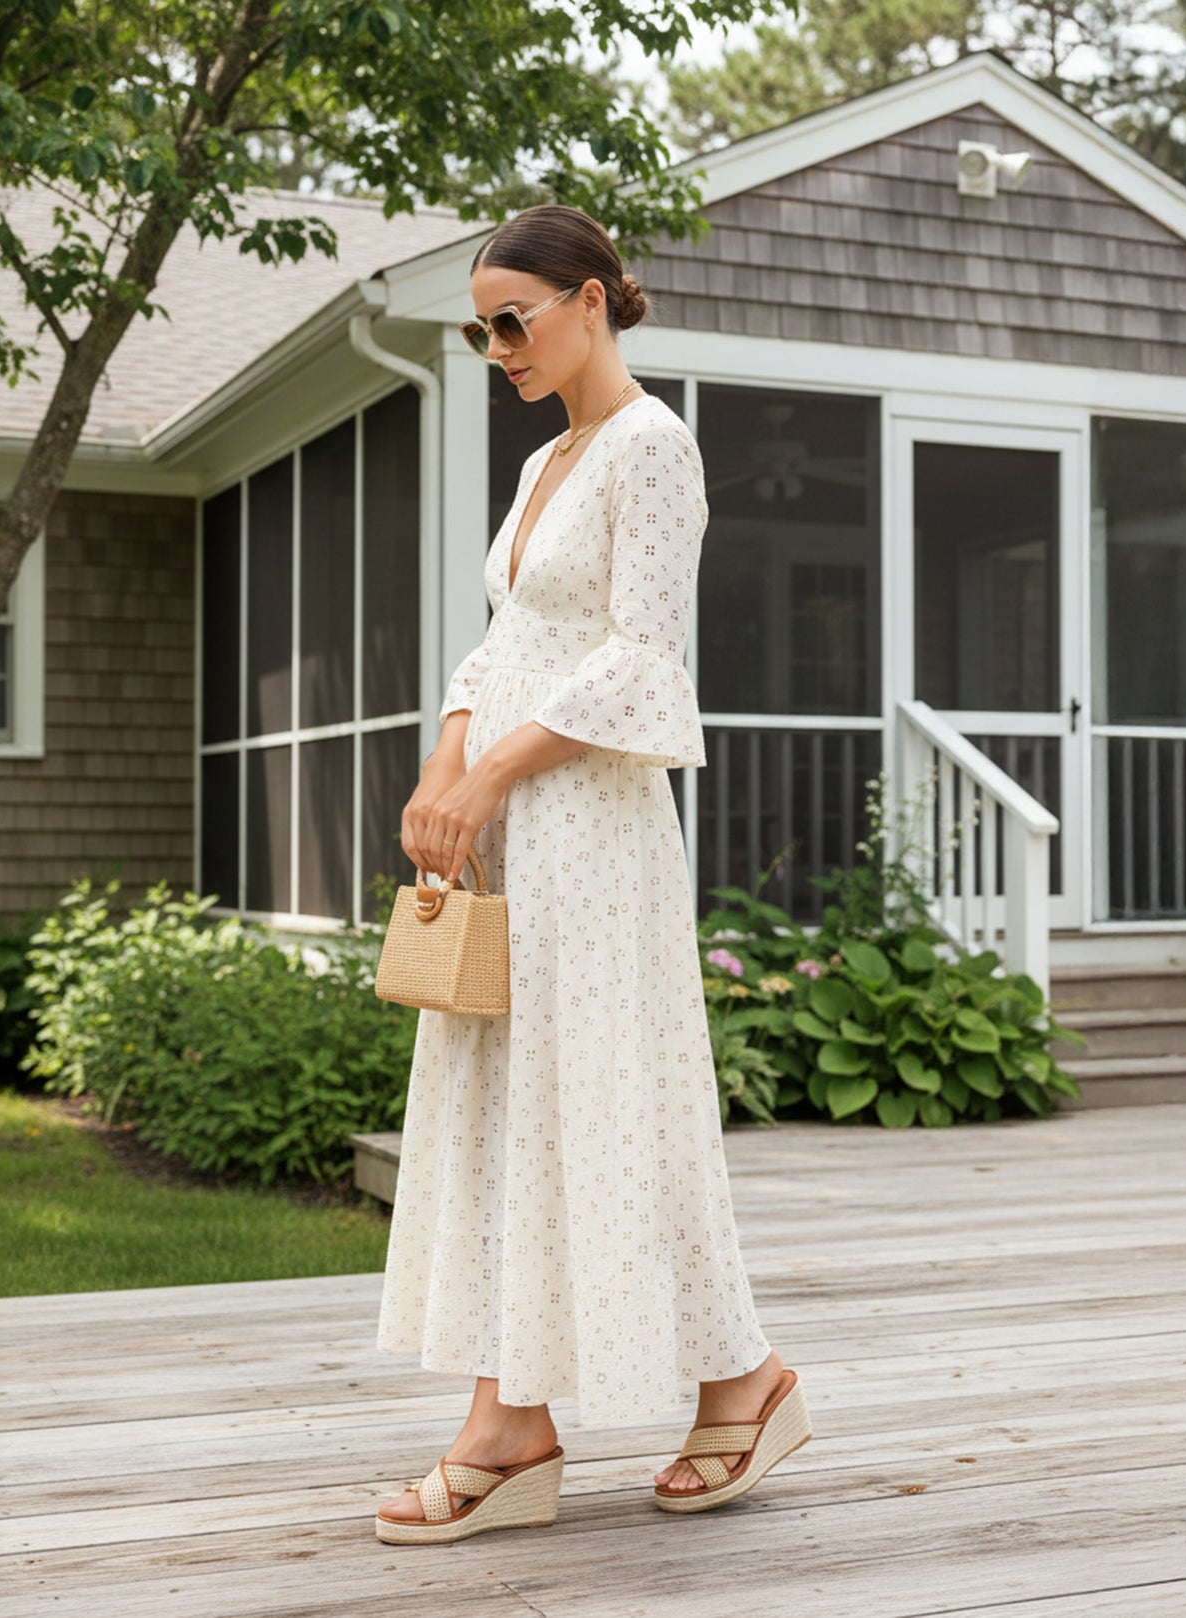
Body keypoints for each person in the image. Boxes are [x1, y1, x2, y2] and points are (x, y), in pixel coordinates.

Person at [373, 203, 811, 1545]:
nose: (494, 343)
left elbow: (640, 657)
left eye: (512, 317)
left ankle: (530, 1424)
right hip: (514, 824)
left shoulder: (651, 445)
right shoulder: (544, 464)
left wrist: (494, 771)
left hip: (590, 832)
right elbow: (498, 641)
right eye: (478, 326)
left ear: (590, 302)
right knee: (521, 1106)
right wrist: (447, 762)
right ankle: (682, 1388)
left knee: (604, 1100)